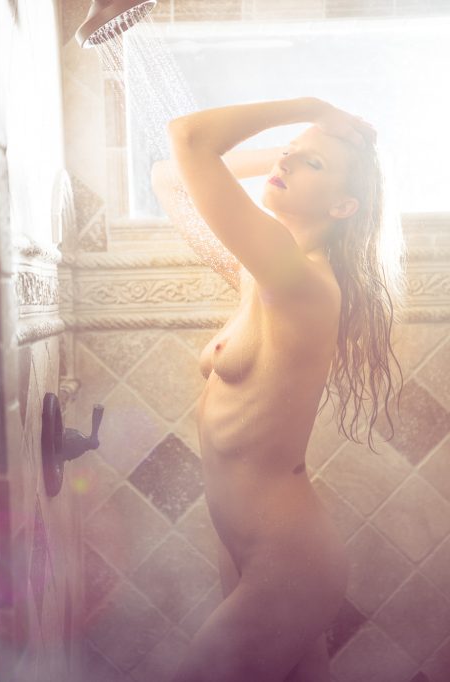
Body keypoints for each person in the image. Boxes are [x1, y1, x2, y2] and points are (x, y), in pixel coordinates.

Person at [150, 97, 401, 681]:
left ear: (343, 205)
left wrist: (312, 107)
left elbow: (187, 138)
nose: (285, 161)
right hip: (249, 549)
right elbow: (168, 175)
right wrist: (301, 147)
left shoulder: (300, 281)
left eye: (311, 165)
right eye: (288, 155)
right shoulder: (263, 275)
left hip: (288, 563)